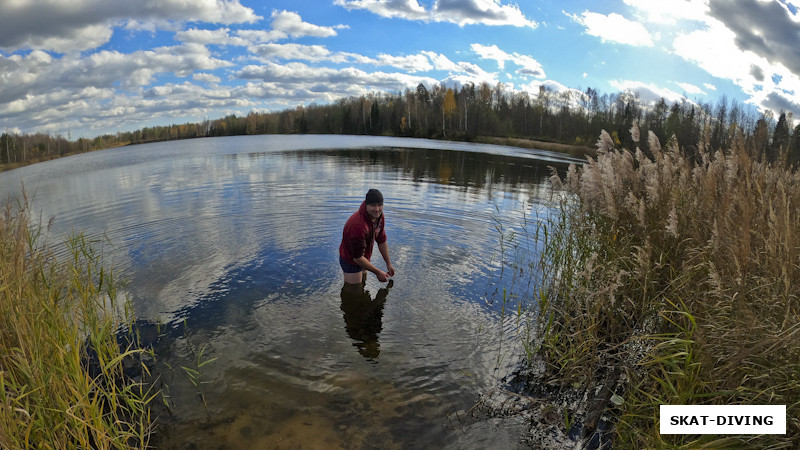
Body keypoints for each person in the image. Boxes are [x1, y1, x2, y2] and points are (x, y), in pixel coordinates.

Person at [339, 188, 395, 284]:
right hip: (351, 260)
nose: (377, 209)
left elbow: (381, 240)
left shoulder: (379, 217)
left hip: (364, 257)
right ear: (366, 205)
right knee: (353, 291)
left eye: (380, 205)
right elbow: (357, 258)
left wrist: (388, 263)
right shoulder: (358, 225)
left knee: (363, 282)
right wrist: (378, 272)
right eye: (373, 205)